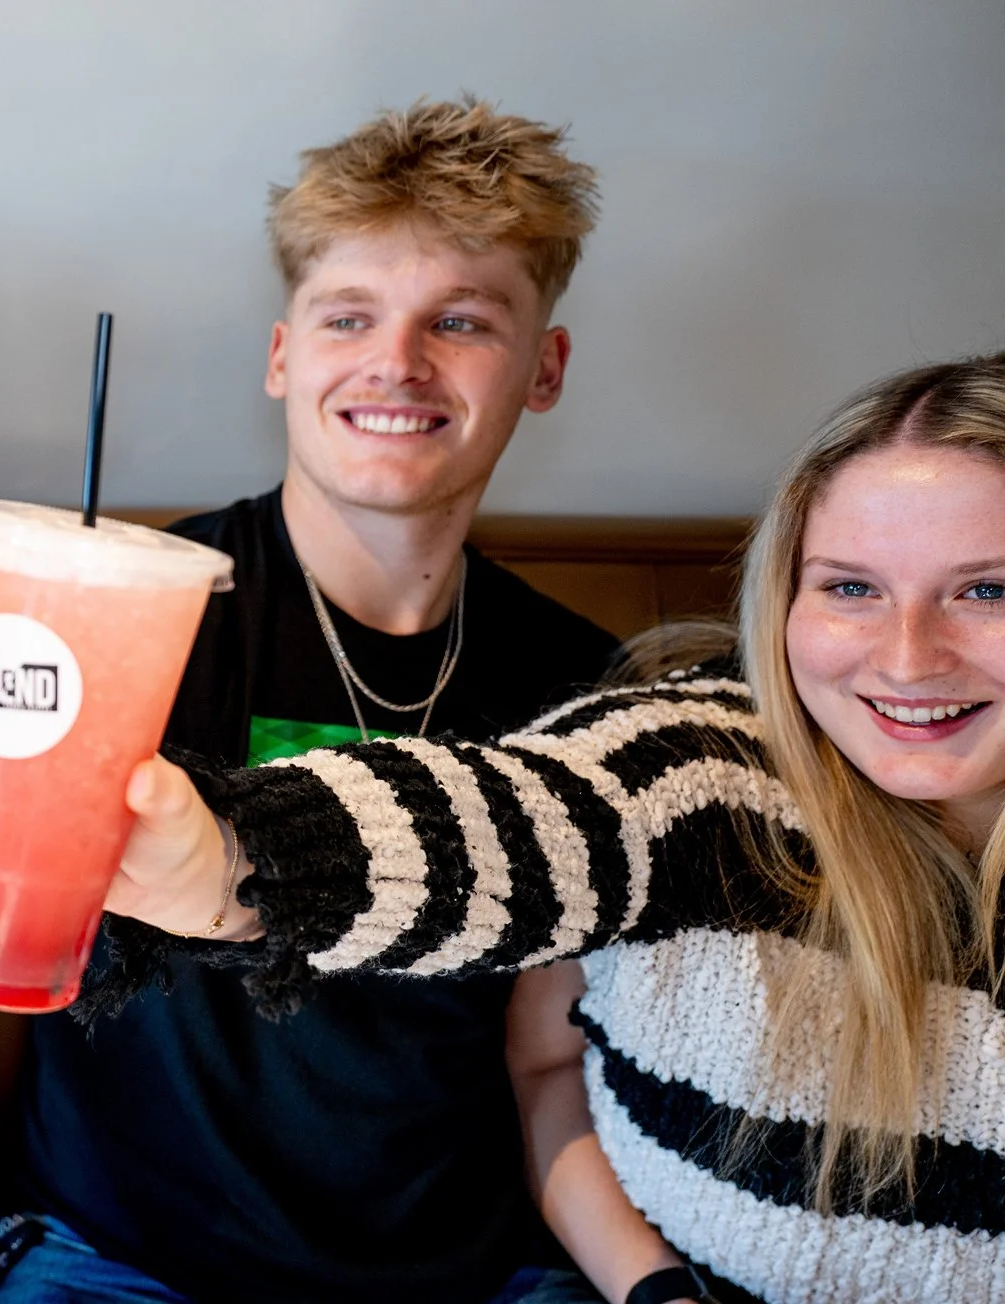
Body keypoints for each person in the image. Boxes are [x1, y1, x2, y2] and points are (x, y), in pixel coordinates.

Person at [0, 99, 624, 1303]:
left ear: (546, 368)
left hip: (470, 1278)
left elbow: (554, 1063)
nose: (397, 361)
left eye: (461, 321)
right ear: (282, 354)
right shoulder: (107, 618)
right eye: (349, 315)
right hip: (120, 1263)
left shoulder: (587, 683)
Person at [71, 353, 1005, 1302]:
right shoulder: (694, 764)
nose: (908, 657)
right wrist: (233, 864)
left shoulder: (552, 645)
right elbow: (515, 820)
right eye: (851, 588)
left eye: (987, 591)